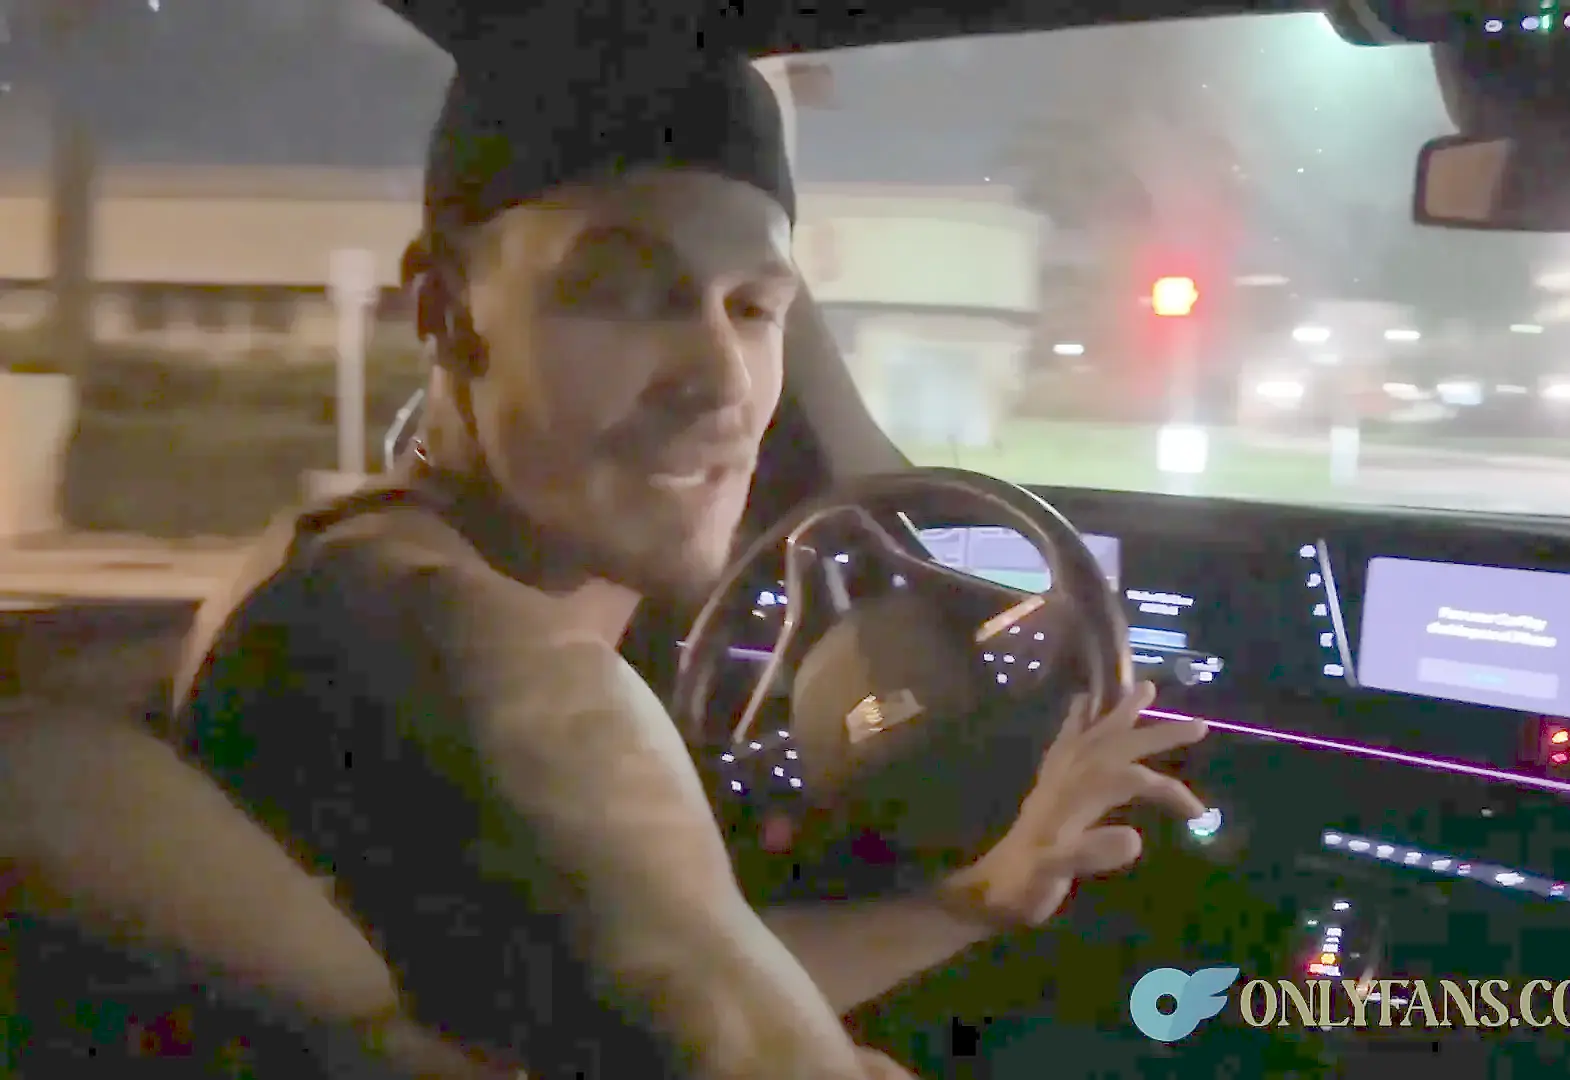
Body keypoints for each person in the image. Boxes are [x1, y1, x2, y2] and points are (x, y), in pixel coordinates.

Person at [80, 19, 1205, 1080]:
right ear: (444, 312)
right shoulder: (500, 667)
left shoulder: (339, 565)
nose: (721, 382)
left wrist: (964, 902)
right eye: (621, 297)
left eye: (753, 310)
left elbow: (623, 991)